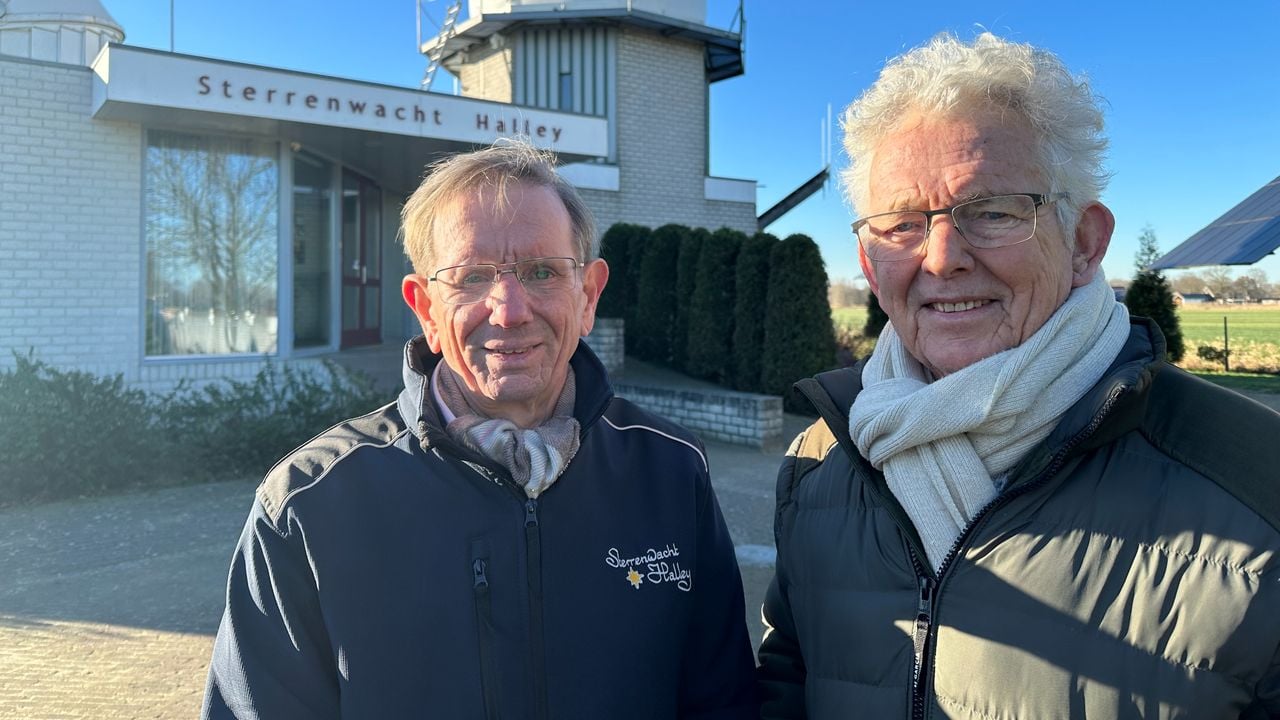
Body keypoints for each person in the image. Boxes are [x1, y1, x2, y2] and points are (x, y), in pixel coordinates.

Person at [757, 32, 1280, 718]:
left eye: (993, 212)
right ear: (866, 260)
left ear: (1085, 242)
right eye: (902, 225)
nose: (942, 259)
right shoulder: (820, 465)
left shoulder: (1256, 482)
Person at [202, 139, 758, 718]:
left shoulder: (670, 472)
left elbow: (722, 703)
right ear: (425, 310)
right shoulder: (307, 505)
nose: (510, 309)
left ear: (587, 295)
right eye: (471, 277)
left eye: (542, 271)